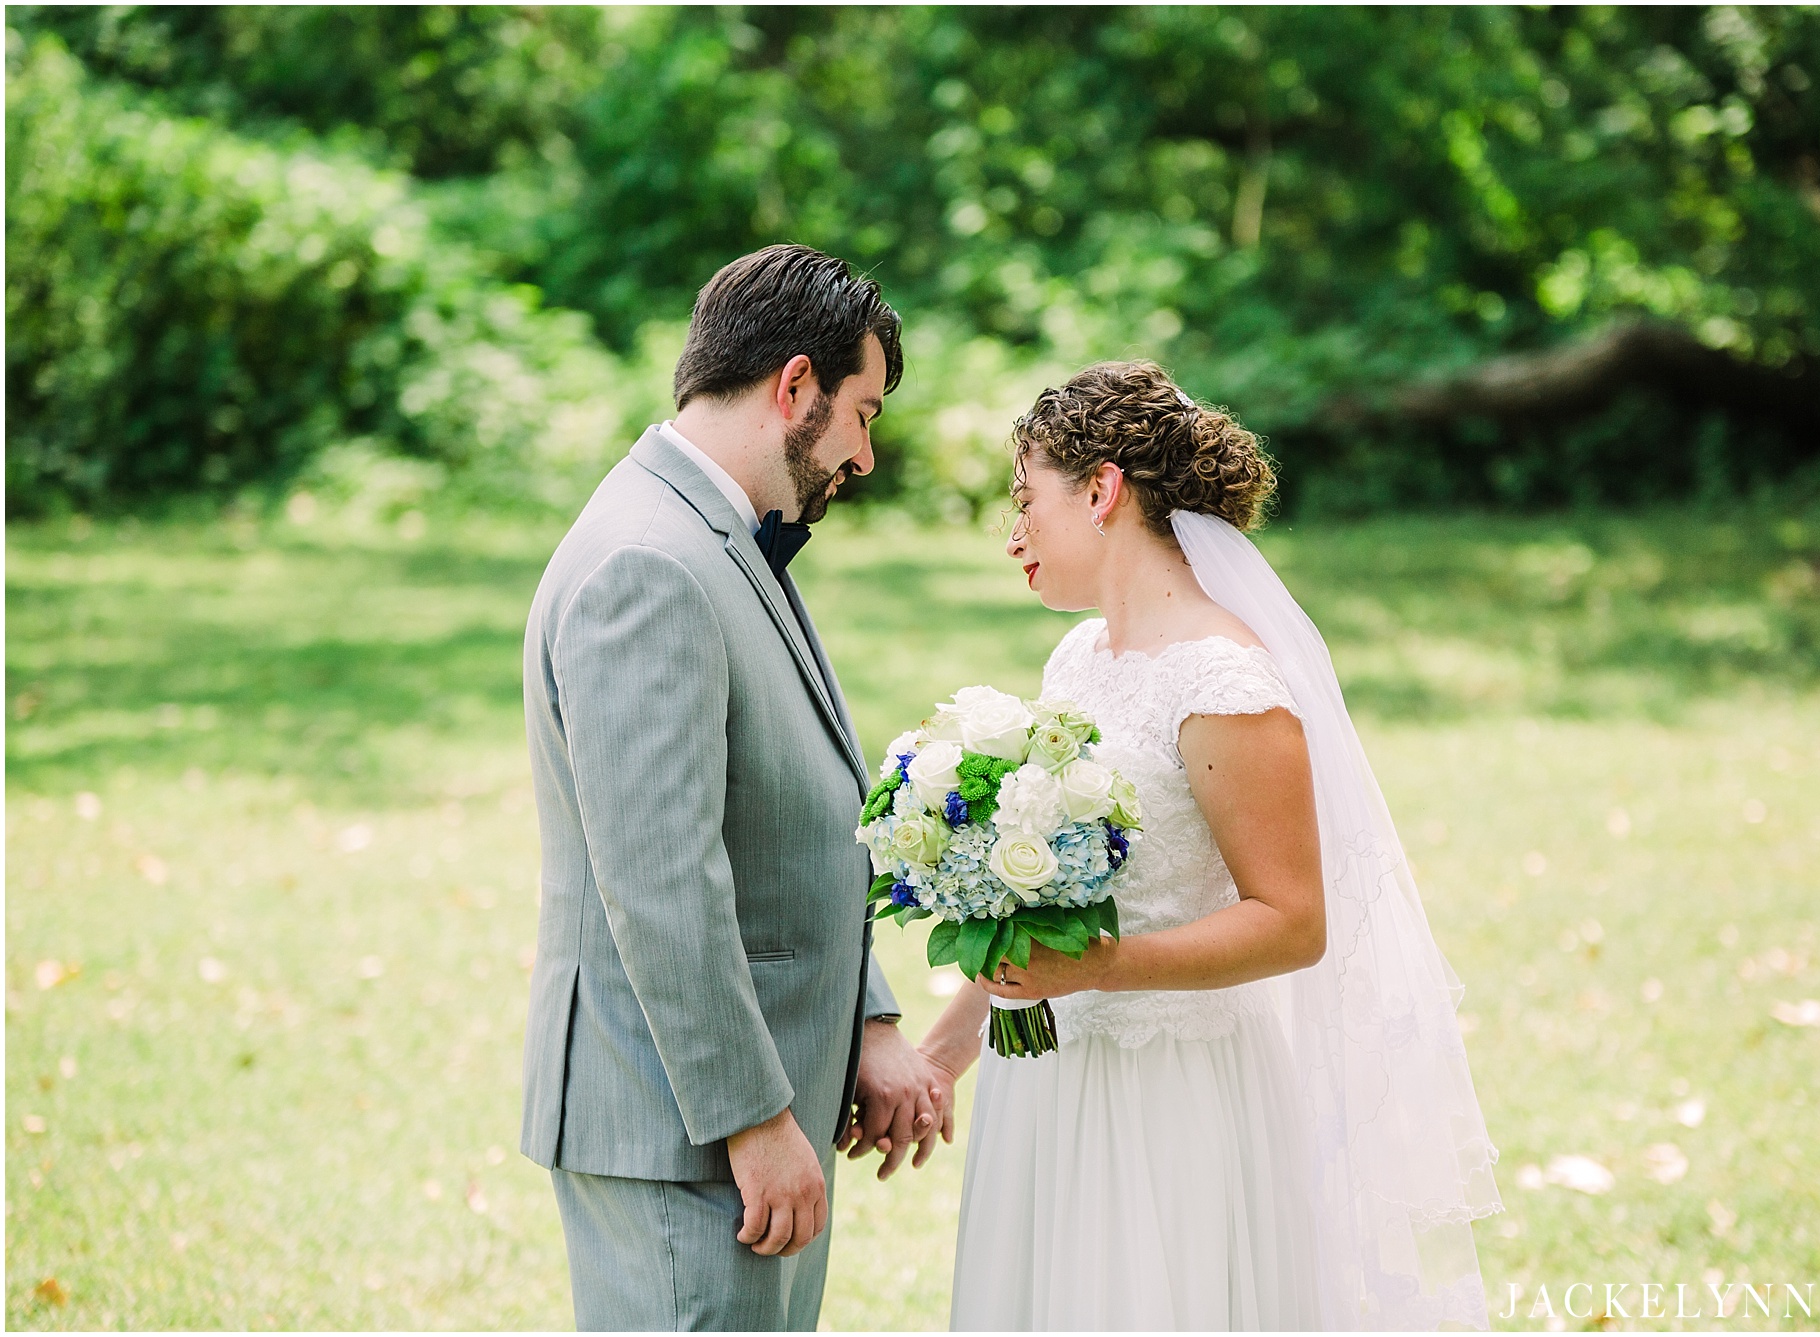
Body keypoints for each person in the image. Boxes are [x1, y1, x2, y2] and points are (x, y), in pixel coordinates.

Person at [920, 361, 1503, 1330]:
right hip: (1048, 1085)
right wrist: (937, 1059)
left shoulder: (1225, 682)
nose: (1011, 531)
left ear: (1101, 489)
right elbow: (1041, 910)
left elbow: (1292, 921)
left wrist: (1107, 968)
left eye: (1026, 499)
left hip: (1172, 1092)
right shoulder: (1077, 658)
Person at [519, 245, 956, 1331]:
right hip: (690, 1127)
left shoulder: (715, 535)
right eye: (862, 411)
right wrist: (752, 1117)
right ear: (793, 385)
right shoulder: (649, 564)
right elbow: (661, 877)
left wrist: (868, 1017)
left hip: (741, 1113)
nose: (862, 454)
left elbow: (781, 827)